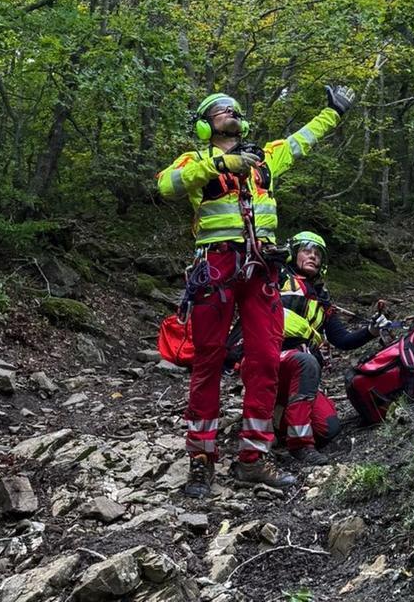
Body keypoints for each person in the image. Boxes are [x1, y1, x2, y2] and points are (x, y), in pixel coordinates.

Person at [157, 86, 355, 497]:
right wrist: (220, 164)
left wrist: (333, 112)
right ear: (205, 125)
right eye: (218, 111)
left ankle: (252, 458)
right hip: (215, 267)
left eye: (232, 109)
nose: (227, 113)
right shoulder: (196, 160)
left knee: (265, 359)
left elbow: (301, 141)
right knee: (207, 361)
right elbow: (166, 185)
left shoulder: (264, 159)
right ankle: (200, 459)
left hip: (262, 267)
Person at [276, 231, 386, 465]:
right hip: (269, 358)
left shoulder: (322, 300)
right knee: (306, 362)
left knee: (329, 428)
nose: (313, 256)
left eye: (318, 254)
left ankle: (276, 418)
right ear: (294, 253)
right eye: (307, 251)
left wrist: (372, 331)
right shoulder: (276, 277)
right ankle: (300, 446)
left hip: (300, 372)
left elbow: (342, 340)